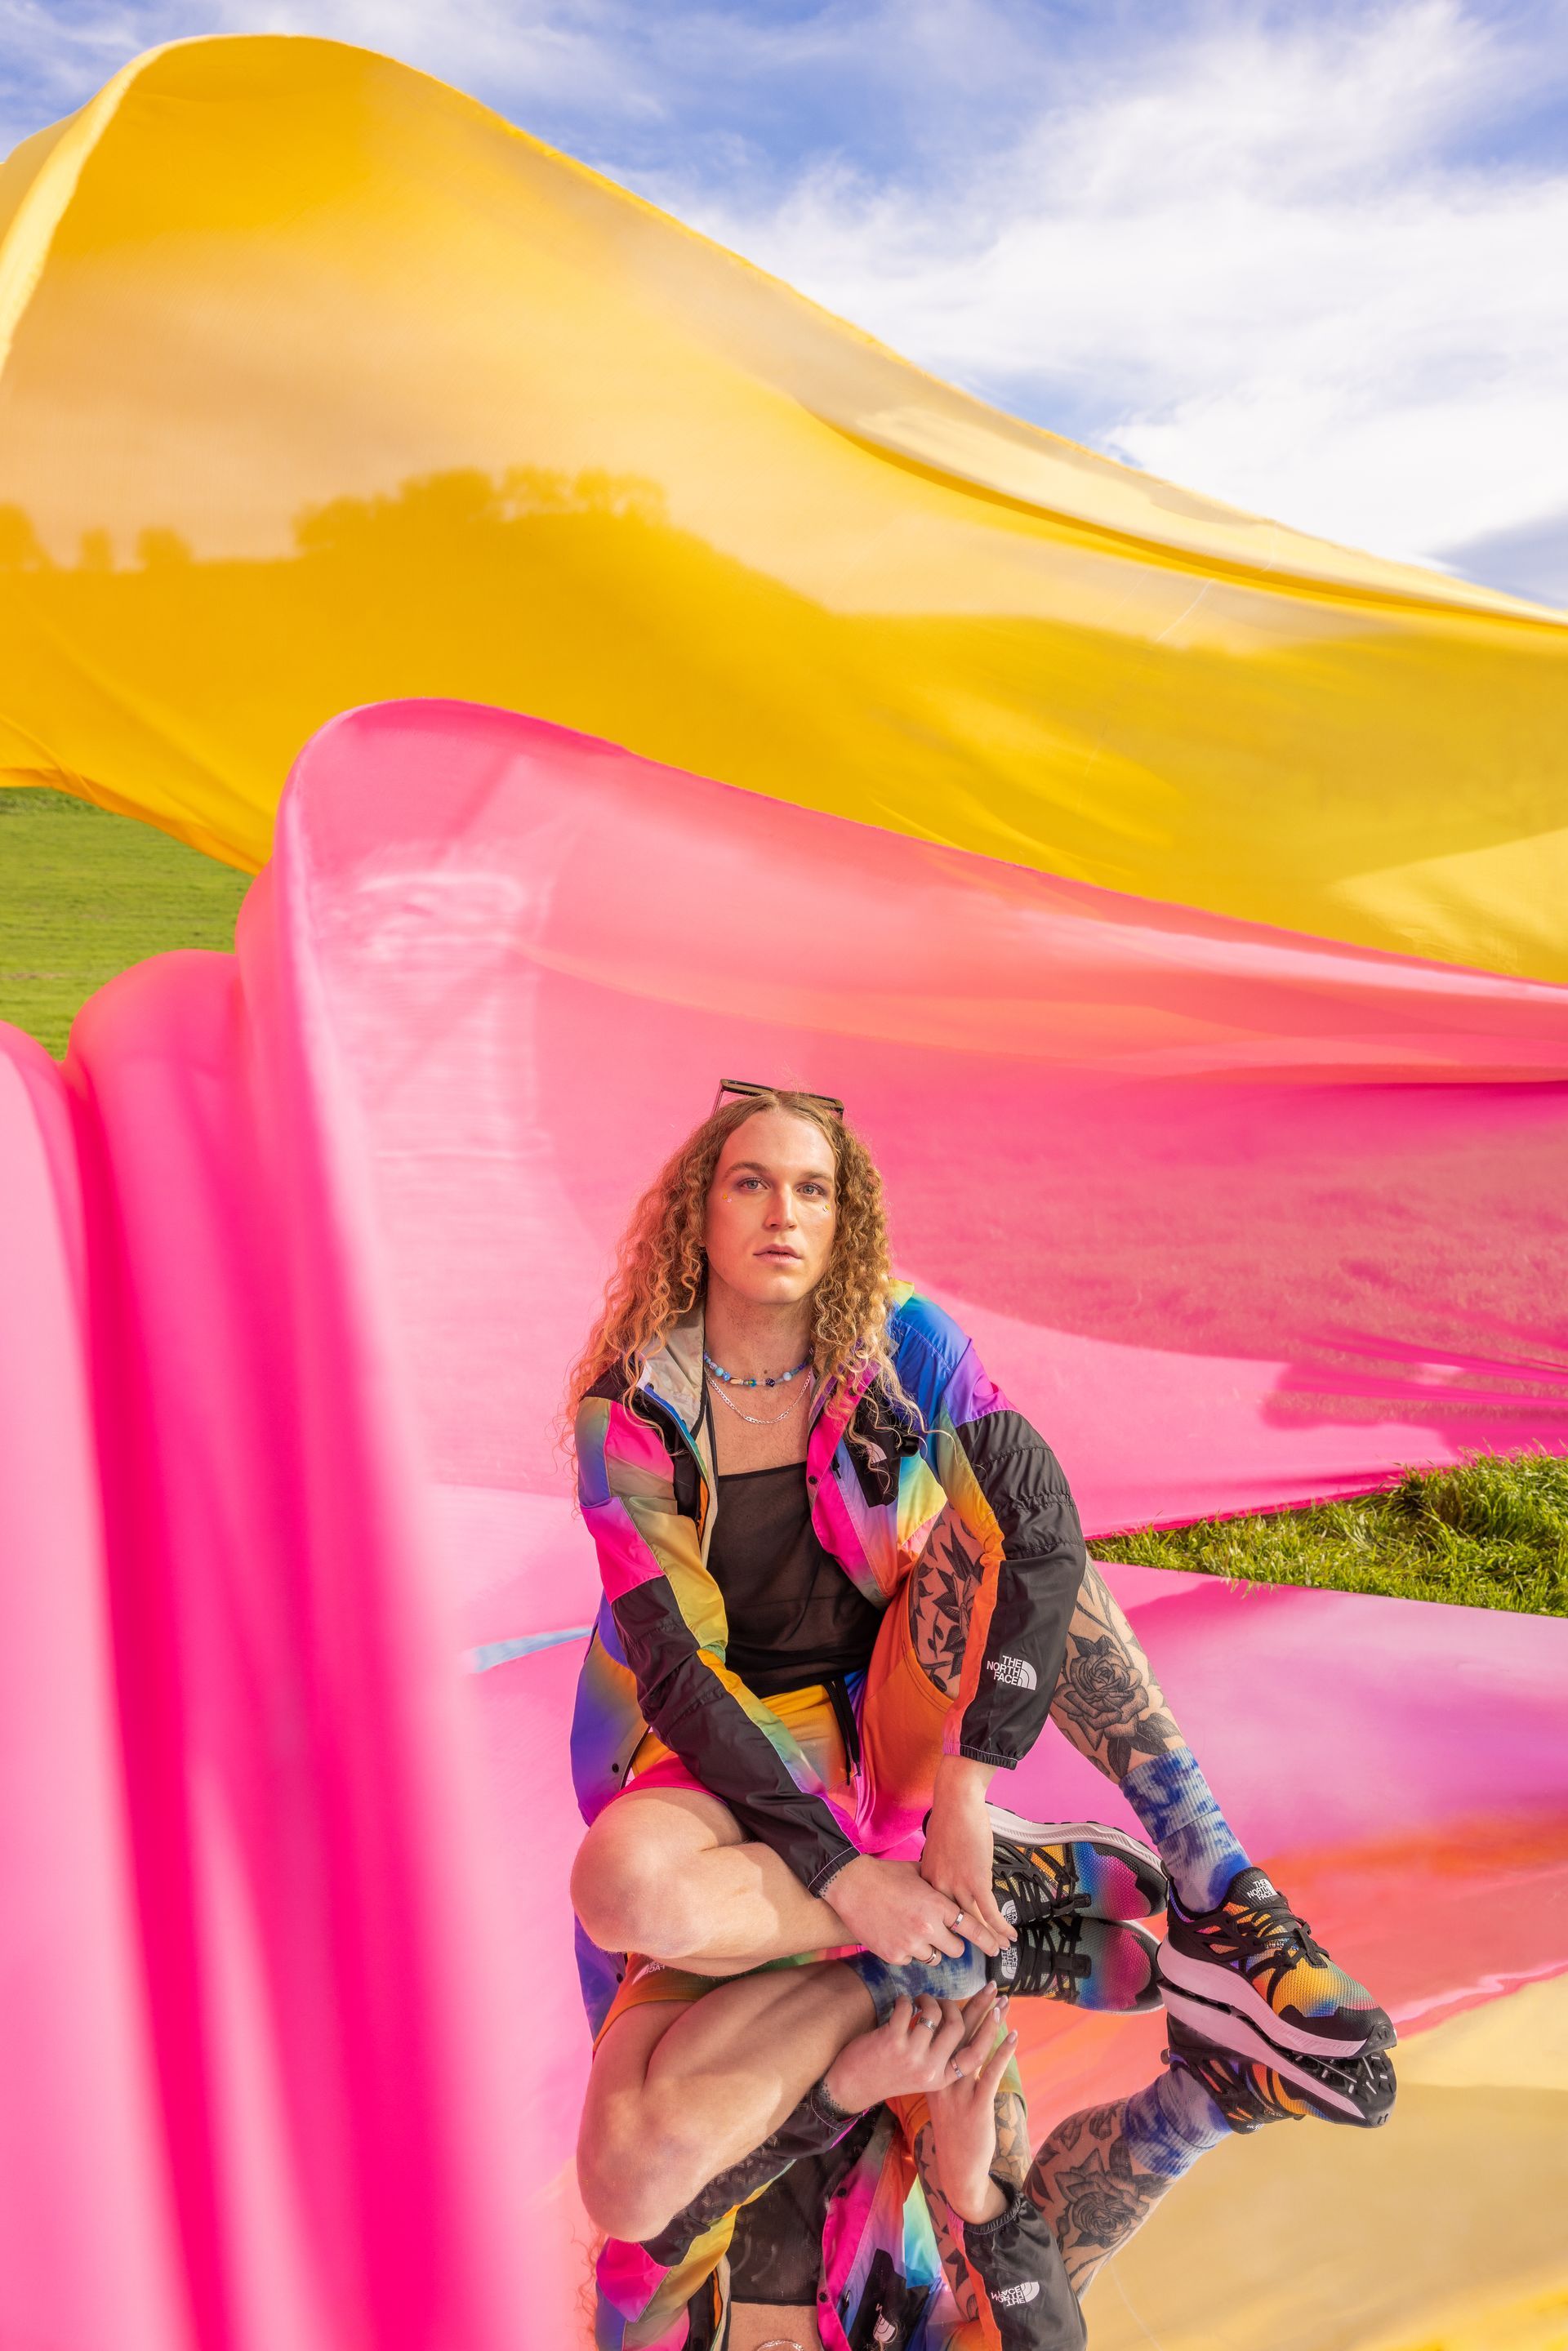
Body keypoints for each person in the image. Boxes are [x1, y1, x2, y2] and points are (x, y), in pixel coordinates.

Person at [566, 1083, 1395, 2344]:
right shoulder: (904, 2327)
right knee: (980, 2128)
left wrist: (940, 1815)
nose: (783, 1213)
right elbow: (1036, 2332)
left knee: (624, 1905)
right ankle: (1013, 1962)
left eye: (806, 1188)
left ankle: (1212, 1878)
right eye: (754, 1181)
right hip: (886, 1990)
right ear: (702, 1212)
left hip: (819, 1785)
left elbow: (649, 2220)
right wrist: (962, 2182)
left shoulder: (785, 1367)